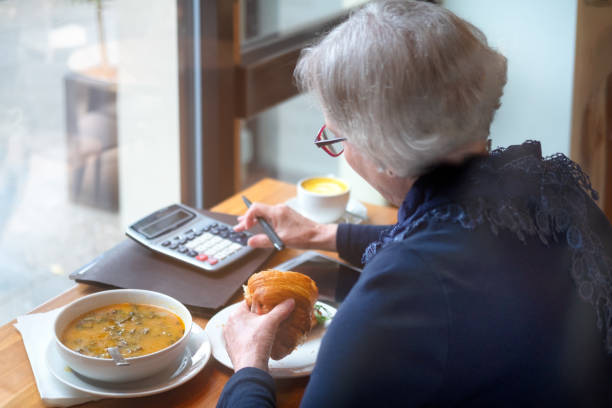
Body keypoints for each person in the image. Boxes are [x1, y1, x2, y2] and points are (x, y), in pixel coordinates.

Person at [217, 1, 612, 406]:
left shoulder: (400, 293)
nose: (343, 154)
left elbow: (431, 262)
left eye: (337, 138)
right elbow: (454, 238)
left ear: (384, 151)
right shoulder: (547, 189)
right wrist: (320, 233)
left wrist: (249, 364)